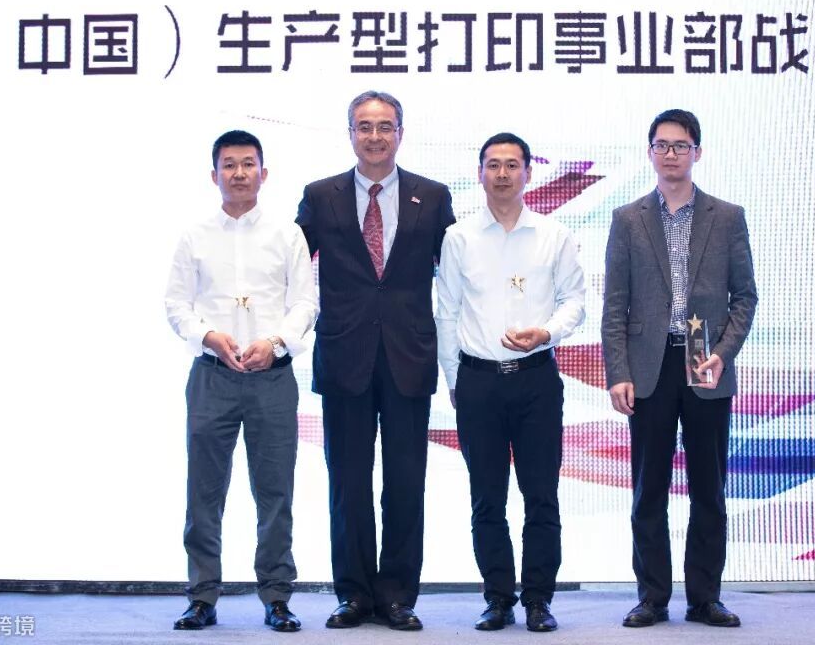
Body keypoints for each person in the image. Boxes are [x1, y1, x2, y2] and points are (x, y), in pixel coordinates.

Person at [295, 91, 455, 631]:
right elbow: (288, 266)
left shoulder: (433, 197)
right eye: (364, 127)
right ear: (350, 134)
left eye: (385, 126)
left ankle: (398, 596)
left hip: (409, 356)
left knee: (407, 483)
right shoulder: (321, 196)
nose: (375, 136)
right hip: (345, 355)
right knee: (348, 482)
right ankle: (354, 594)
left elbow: (459, 274)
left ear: (400, 134)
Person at [601, 110, 757, 628]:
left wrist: (723, 353)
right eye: (662, 145)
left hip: (705, 360)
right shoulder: (628, 219)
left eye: (681, 145)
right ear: (650, 153)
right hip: (650, 366)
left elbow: (745, 298)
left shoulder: (727, 216)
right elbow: (615, 305)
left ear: (697, 152)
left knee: (708, 488)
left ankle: (705, 598)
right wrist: (618, 371)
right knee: (649, 488)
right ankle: (652, 597)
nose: (671, 154)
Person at [165, 130, 317, 632]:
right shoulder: (195, 236)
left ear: (263, 173)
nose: (238, 173)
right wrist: (207, 336)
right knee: (204, 493)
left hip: (272, 379)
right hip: (212, 379)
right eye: (228, 165)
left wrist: (275, 342)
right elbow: (176, 304)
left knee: (275, 493)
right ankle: (201, 597)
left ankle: (276, 596)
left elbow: (305, 303)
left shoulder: (287, 235)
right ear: (214, 175)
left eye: (248, 164)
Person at [436, 132, 585, 633]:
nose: (502, 174)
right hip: (478, 383)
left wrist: (547, 332)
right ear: (480, 173)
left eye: (512, 165)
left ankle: (539, 599)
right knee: (487, 498)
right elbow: (446, 312)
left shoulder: (553, 235)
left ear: (528, 173)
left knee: (541, 495)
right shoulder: (458, 238)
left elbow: (574, 302)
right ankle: (497, 597)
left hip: (536, 381)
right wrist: (454, 379)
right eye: (493, 165)